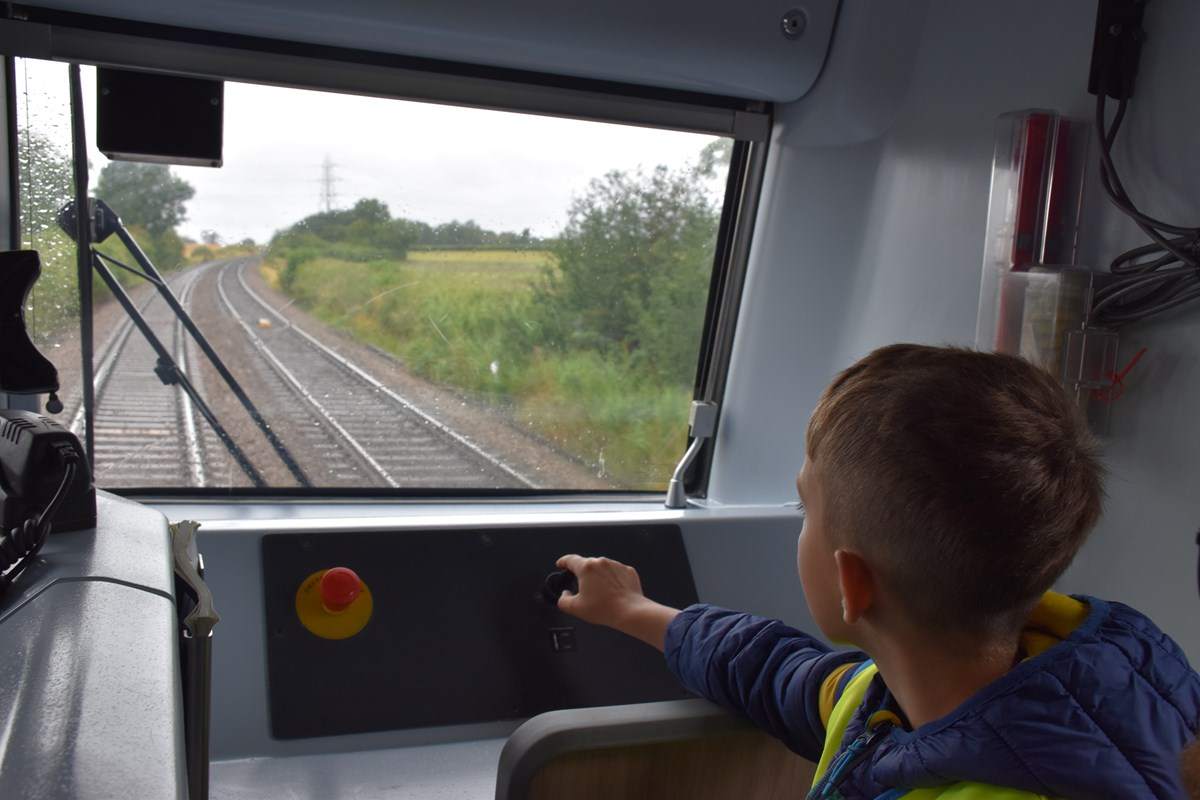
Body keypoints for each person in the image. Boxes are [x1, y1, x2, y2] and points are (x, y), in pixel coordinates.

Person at [556, 343, 1200, 799]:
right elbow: (775, 670)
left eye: (806, 508)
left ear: (852, 584)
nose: (799, 523)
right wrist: (634, 611)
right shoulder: (911, 693)